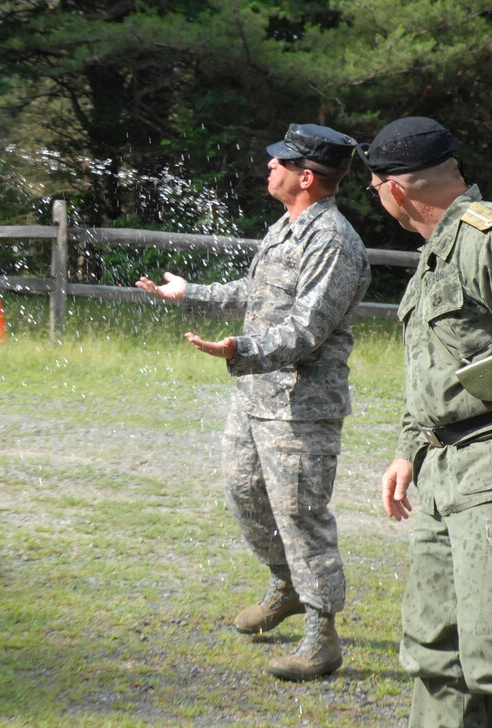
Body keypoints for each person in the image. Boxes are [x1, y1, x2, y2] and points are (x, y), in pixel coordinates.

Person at [136, 123, 371, 681]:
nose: (269, 168)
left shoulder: (334, 241)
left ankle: (322, 637)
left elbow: (307, 329)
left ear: (307, 178)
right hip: (255, 396)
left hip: (301, 405)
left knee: (301, 516)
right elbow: (256, 293)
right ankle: (285, 586)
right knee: (244, 494)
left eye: (280, 162)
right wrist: (189, 292)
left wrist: (240, 348)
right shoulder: (286, 226)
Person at [366, 117, 492, 726]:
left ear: (393, 191)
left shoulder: (483, 240)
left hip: (488, 467)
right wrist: (405, 449)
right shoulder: (434, 256)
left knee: (488, 659)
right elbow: (431, 367)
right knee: (435, 657)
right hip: (441, 471)